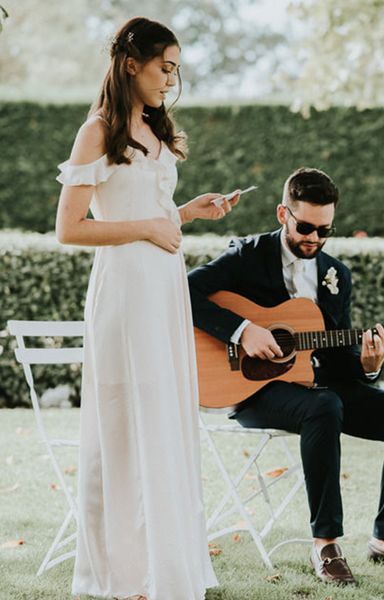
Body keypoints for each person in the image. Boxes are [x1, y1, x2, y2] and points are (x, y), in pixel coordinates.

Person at [55, 17, 239, 600]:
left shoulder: (156, 129)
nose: (171, 79)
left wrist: (187, 212)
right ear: (131, 63)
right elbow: (70, 230)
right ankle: (126, 573)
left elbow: (154, 218)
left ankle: (168, 566)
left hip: (163, 288)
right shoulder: (98, 131)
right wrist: (152, 226)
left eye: (176, 69)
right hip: (126, 293)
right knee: (127, 422)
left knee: (164, 421)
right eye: (165, 67)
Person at [188, 167, 384, 585]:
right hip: (255, 391)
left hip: (321, 388)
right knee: (325, 406)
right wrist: (243, 330)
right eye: (305, 227)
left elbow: (339, 359)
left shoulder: (336, 274)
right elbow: (183, 291)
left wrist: (369, 364)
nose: (314, 239)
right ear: (282, 214)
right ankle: (325, 546)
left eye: (325, 231)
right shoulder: (247, 255)